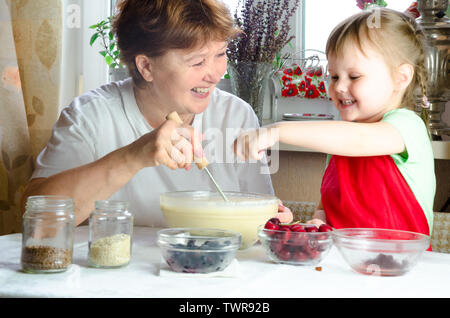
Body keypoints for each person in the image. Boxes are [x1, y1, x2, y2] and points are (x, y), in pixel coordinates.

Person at [22, 0, 292, 227]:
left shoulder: (236, 115)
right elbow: (36, 217)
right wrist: (133, 156)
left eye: (220, 54)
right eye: (197, 62)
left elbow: (262, 220)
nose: (216, 74)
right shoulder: (89, 117)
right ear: (146, 67)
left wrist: (276, 223)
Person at [233, 8, 436, 242]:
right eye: (334, 76)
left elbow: (361, 139)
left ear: (401, 77)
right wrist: (318, 222)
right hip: (347, 264)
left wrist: (276, 130)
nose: (338, 87)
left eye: (354, 76)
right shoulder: (340, 142)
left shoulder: (407, 126)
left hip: (402, 269)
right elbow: (326, 208)